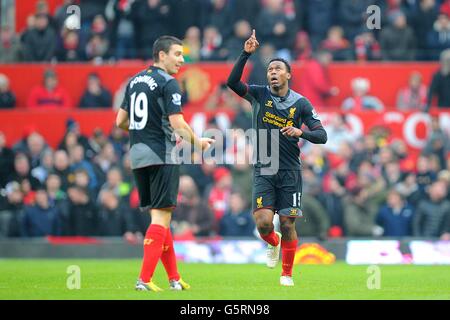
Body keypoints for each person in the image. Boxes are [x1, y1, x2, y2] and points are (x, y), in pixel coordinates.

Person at [227, 30, 327, 287]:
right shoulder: (259, 95)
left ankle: (287, 274)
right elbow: (232, 83)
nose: (272, 71)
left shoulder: (301, 103)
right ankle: (273, 242)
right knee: (263, 223)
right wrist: (245, 54)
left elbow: (322, 135)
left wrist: (300, 132)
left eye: (278, 68)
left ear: (288, 75)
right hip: (264, 167)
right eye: (270, 68)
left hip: (290, 170)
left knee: (287, 221)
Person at [115, 35, 214, 292]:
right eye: (178, 54)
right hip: (162, 154)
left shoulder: (135, 81)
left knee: (161, 215)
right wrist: (198, 143)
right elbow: (179, 124)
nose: (182, 60)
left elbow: (120, 122)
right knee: (161, 218)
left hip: (137, 156)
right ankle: (144, 280)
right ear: (161, 55)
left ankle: (174, 279)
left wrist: (145, 131)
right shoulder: (169, 83)